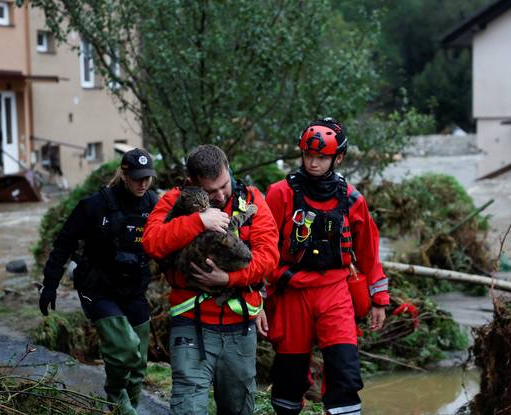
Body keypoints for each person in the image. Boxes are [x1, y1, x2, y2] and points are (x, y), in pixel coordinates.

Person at [259, 118, 389, 415]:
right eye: (308, 156)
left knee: (345, 371)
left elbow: (369, 253)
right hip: (291, 290)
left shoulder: (353, 199)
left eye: (321, 157)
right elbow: (263, 246)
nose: (313, 163)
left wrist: (379, 299)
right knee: (288, 378)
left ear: (338, 158)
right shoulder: (280, 193)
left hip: (335, 290)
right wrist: (259, 297)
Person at [142, 144, 279, 414]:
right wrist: (199, 221)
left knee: (238, 408)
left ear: (229, 169)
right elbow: (152, 242)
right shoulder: (174, 199)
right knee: (188, 408)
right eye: (210, 190)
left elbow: (269, 257)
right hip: (190, 322)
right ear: (192, 181)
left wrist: (228, 279)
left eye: (224, 186)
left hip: (239, 327)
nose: (218, 195)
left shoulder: (252, 199)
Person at [39, 148, 158, 415]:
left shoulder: (153, 204)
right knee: (125, 348)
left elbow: (172, 237)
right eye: (137, 177)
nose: (143, 183)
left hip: (134, 288)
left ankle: (128, 408)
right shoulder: (95, 205)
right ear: (124, 174)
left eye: (147, 177)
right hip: (99, 289)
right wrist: (50, 284)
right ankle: (116, 398)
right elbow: (63, 243)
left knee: (138, 363)